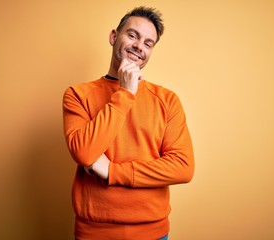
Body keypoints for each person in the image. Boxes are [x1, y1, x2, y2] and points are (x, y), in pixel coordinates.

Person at [62, 6, 194, 240]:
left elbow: (183, 167)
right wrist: (125, 93)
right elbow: (84, 153)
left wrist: (112, 171)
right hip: (94, 233)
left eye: (148, 43)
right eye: (132, 35)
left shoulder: (167, 100)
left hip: (153, 233)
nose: (138, 46)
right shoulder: (77, 95)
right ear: (114, 36)